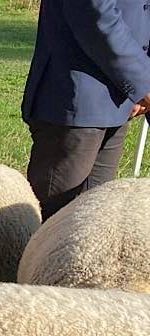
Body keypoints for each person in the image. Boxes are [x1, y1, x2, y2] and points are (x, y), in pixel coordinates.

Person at [22, 0, 150, 219]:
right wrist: (143, 82)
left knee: (92, 221)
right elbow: (95, 14)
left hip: (118, 102)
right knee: (50, 227)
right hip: (77, 101)